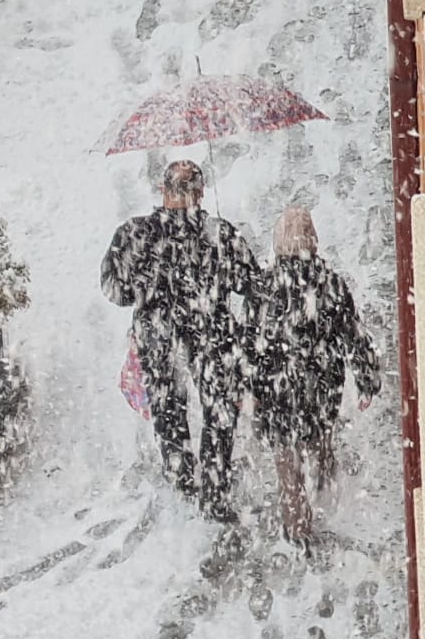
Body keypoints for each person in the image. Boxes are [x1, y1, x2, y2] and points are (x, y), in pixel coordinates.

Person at [100, 159, 264, 523]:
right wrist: (247, 338)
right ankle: (215, 491)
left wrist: (145, 292)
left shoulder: (134, 234)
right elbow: (255, 287)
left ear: (163, 190)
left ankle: (184, 487)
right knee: (219, 412)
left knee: (168, 413)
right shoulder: (218, 233)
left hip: (159, 337)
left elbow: (114, 289)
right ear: (202, 192)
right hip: (213, 334)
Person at [249, 206, 380, 546]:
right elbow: (354, 334)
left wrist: (247, 388)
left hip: (278, 393)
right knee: (321, 446)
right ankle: (329, 500)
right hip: (320, 390)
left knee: (287, 466)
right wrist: (366, 379)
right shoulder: (330, 283)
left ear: (278, 243)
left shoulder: (264, 287)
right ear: (313, 240)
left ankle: (298, 529)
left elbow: (250, 345)